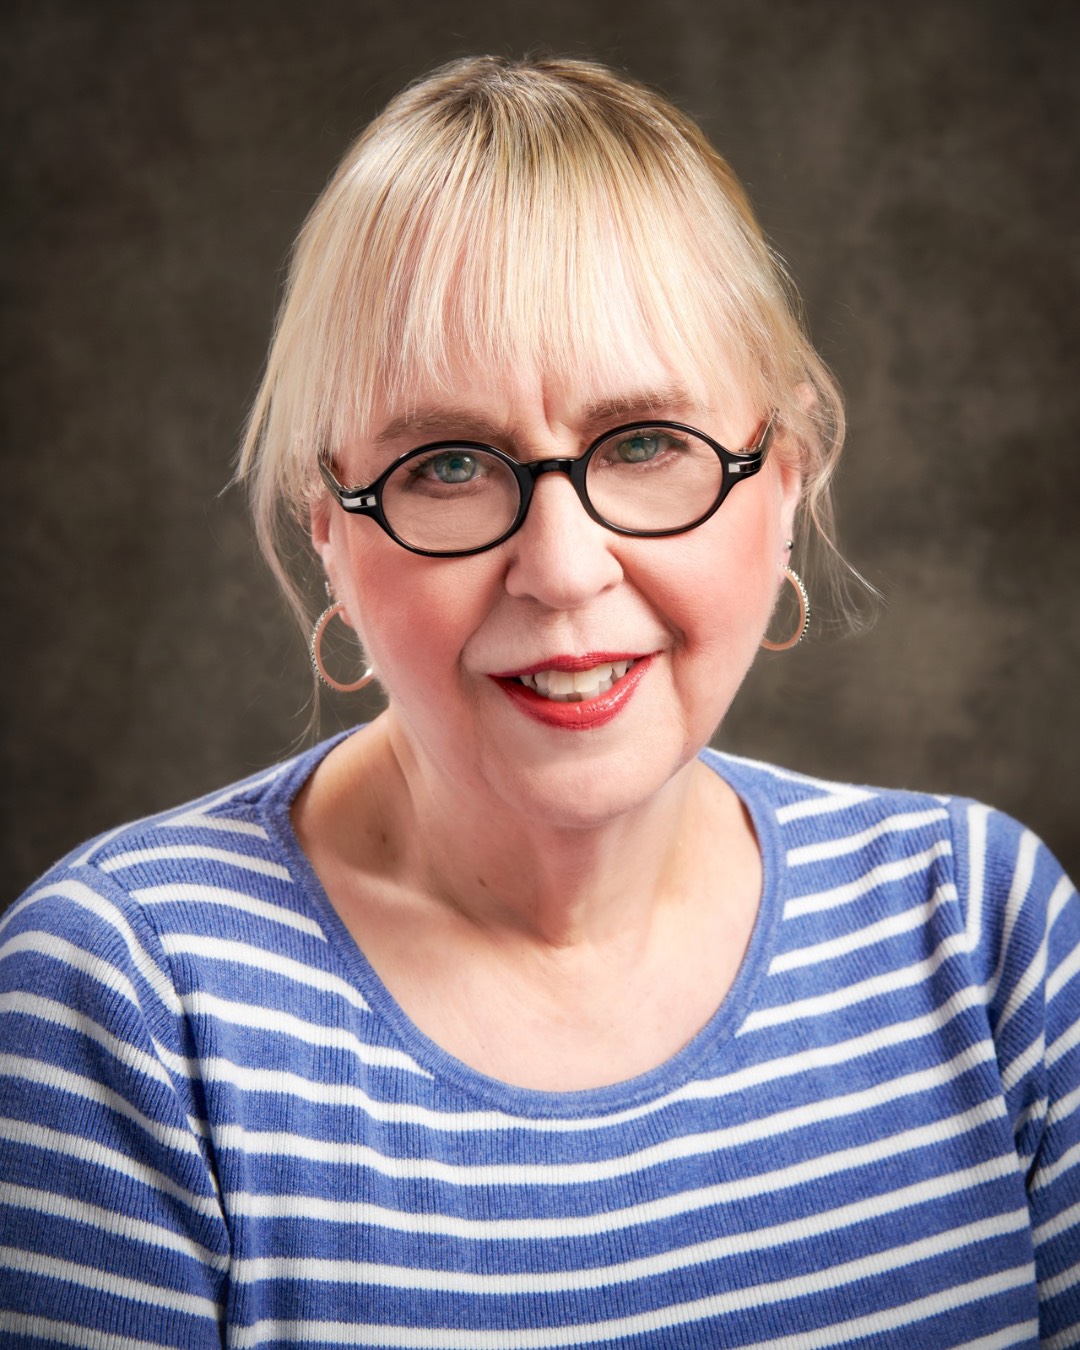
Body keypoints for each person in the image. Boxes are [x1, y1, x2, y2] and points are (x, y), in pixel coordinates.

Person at [1, 54, 1077, 1349]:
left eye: (645, 445)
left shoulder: (981, 928)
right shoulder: (117, 1005)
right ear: (328, 529)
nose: (564, 570)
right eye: (448, 463)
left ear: (784, 477)